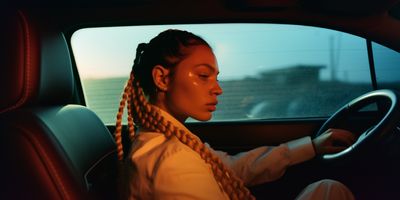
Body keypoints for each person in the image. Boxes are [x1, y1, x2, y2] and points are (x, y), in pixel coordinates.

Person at [114, 29, 356, 200]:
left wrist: (312, 146)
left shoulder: (173, 141)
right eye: (203, 75)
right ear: (162, 78)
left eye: (215, 77)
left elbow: (231, 168)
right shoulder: (171, 161)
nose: (217, 88)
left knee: (327, 189)